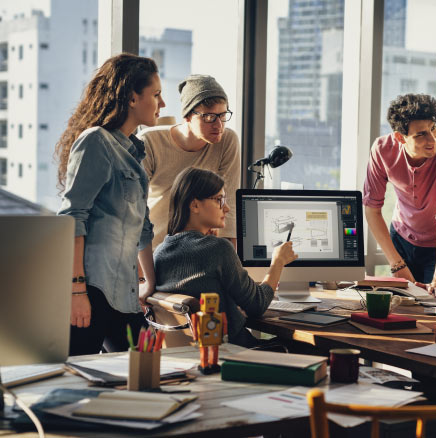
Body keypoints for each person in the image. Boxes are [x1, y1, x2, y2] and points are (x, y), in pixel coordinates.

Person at [56, 53, 164, 355]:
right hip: (92, 292)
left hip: (125, 296)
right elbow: (72, 217)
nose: (162, 104)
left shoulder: (135, 152)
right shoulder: (96, 142)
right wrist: (76, 291)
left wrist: (149, 285)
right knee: (77, 385)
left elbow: (142, 229)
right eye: (156, 95)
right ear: (132, 97)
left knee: (150, 365)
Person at [153, 167, 297, 347]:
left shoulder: (160, 251)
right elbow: (257, 305)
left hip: (191, 358)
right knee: (311, 348)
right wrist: (278, 262)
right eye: (219, 200)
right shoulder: (218, 249)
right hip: (236, 354)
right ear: (195, 205)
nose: (227, 208)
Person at [362, 93, 436, 294]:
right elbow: (372, 210)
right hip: (402, 238)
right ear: (400, 137)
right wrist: (397, 265)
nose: (432, 139)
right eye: (421, 134)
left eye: (433, 128)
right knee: (401, 308)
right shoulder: (382, 150)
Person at [140, 74, 240, 249]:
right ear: (187, 116)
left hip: (200, 251)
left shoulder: (227, 141)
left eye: (222, 116)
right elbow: (135, 210)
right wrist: (142, 271)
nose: (219, 126)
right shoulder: (150, 142)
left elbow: (228, 203)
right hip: (155, 249)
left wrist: (231, 262)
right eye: (209, 117)